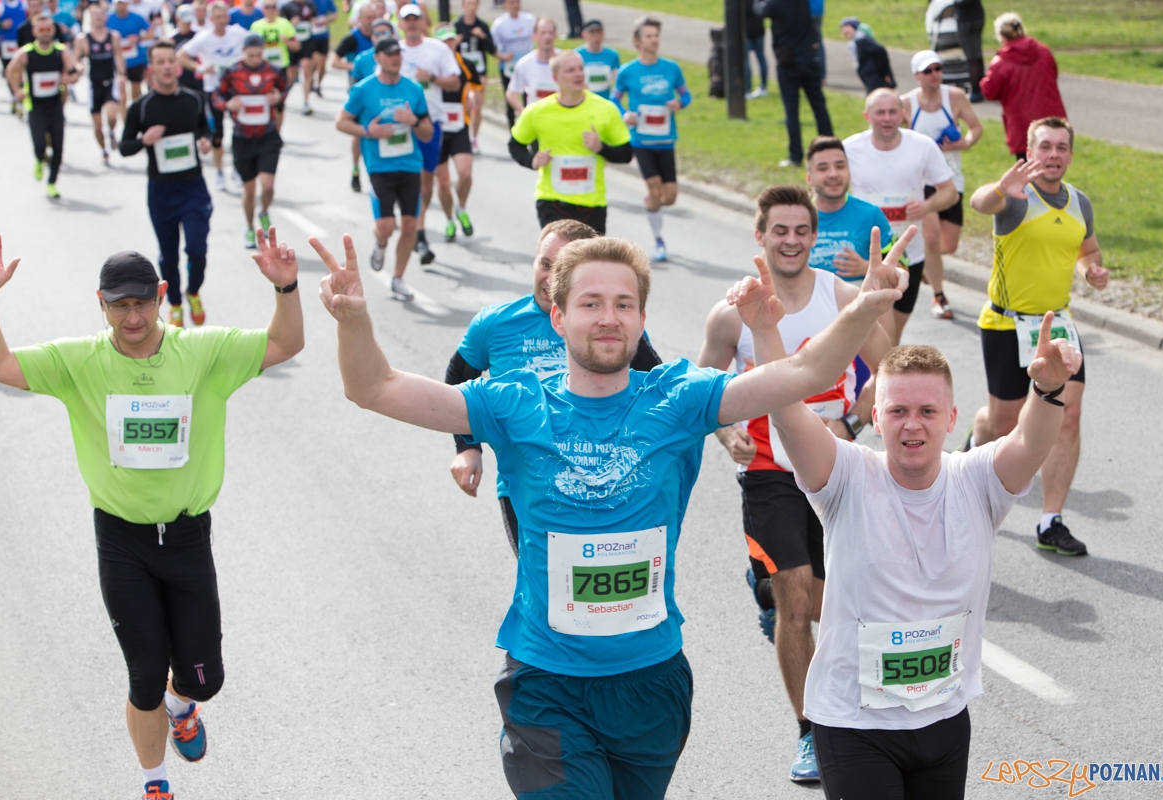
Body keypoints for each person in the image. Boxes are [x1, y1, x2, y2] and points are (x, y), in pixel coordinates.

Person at [312, 194, 913, 800]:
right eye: (591, 303)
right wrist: (355, 320)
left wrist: (866, 307)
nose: (608, 317)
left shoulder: (680, 399)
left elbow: (806, 374)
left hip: (651, 686)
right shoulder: (514, 402)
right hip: (546, 684)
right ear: (558, 316)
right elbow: (374, 387)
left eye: (623, 304)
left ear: (642, 318)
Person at [0, 228, 303, 800]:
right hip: (121, 541)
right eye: (119, 305)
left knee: (206, 678)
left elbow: (285, 346)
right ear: (100, 304)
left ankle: (185, 707)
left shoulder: (200, 353)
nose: (133, 317)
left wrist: (286, 289)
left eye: (142, 302)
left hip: (186, 538)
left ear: (160, 294)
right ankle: (156, 784)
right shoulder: (78, 361)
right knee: (145, 675)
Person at [749, 286, 1080, 798]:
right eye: (898, 410)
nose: (913, 424)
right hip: (854, 725)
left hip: (945, 721)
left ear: (951, 420)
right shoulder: (846, 476)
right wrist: (764, 331)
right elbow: (788, 413)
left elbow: (1029, 442)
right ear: (876, 418)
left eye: (928, 411)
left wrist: (1050, 389)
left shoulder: (977, 481)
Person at [697, 185, 893, 785]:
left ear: (814, 236)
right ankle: (812, 732)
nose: (789, 240)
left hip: (833, 467)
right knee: (798, 599)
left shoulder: (839, 295)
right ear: (760, 235)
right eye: (777, 230)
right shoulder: (733, 311)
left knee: (839, 601)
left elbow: (888, 362)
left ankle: (768, 588)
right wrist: (725, 432)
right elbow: (702, 388)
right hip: (766, 470)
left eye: (800, 230)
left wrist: (858, 417)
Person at [444, 219, 662, 555]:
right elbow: (458, 377)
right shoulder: (495, 324)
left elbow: (657, 391)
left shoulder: (606, 326)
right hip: (527, 483)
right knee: (547, 586)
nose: (549, 276)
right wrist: (466, 447)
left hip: (606, 481)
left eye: (561, 268)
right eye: (545, 264)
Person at [964, 117, 1107, 557]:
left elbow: (1087, 248)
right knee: (1003, 423)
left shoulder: (1079, 201)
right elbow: (979, 202)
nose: (1054, 156)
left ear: (1070, 154)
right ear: (1030, 150)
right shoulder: (1014, 197)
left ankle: (1051, 520)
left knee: (1069, 414)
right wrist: (1001, 189)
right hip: (1007, 324)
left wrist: (1092, 271)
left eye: (1062, 148)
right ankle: (973, 446)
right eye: (1045, 147)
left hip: (1057, 324)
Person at [843, 89, 956, 343]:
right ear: (867, 116)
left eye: (893, 111)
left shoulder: (922, 146)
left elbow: (950, 193)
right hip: (865, 252)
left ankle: (883, 377)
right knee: (864, 333)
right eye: (879, 112)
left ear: (902, 115)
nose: (886, 118)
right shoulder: (849, 149)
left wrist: (926, 206)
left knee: (893, 334)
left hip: (908, 253)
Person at [119, 41, 214, 328]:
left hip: (193, 188)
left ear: (177, 65)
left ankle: (193, 291)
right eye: (160, 62)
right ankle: (174, 303)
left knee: (197, 249)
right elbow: (124, 146)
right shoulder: (141, 107)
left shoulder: (194, 99)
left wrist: (206, 140)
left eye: (170, 61)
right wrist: (143, 141)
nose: (167, 67)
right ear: (151, 70)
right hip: (161, 191)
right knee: (168, 254)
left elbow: (204, 126)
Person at [335, 36, 433, 300]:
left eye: (398, 54)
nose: (395, 58)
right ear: (377, 58)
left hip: (410, 165)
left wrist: (413, 120)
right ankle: (380, 243)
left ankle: (398, 278)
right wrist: (368, 131)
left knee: (410, 225)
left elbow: (427, 132)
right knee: (387, 226)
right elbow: (341, 122)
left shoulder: (413, 89)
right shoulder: (364, 90)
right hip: (379, 167)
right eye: (389, 54)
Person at [508, 50, 632, 234]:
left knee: (588, 263)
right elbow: (515, 144)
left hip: (592, 204)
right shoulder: (537, 111)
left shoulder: (605, 109)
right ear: (555, 77)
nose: (578, 74)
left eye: (581, 68)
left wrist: (601, 148)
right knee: (558, 261)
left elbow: (626, 154)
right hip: (552, 201)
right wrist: (531, 161)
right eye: (570, 70)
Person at [902, 50, 983, 321]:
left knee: (949, 244)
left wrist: (964, 143)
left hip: (950, 179)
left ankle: (926, 265)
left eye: (937, 68)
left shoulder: (955, 97)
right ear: (917, 76)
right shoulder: (907, 104)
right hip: (920, 182)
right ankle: (939, 296)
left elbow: (976, 128)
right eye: (928, 71)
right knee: (932, 237)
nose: (935, 74)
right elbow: (889, 133)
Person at [613, 15, 689, 262]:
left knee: (670, 197)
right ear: (637, 41)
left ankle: (651, 202)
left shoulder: (671, 68)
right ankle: (659, 241)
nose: (654, 40)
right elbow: (614, 99)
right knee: (655, 188)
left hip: (666, 140)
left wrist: (679, 103)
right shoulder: (627, 71)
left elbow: (686, 96)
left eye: (656, 36)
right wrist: (626, 115)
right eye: (649, 36)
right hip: (642, 141)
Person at [396, 2, 461, 267]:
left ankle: (418, 231)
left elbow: (455, 82)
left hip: (429, 122)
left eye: (415, 19)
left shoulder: (437, 48)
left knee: (425, 182)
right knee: (401, 178)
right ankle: (411, 229)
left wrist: (432, 77)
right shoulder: (393, 51)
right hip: (399, 124)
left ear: (423, 22)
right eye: (407, 20)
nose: (411, 24)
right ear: (400, 24)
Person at [212, 33, 288, 248]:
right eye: (250, 55)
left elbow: (285, 88)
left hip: (268, 135)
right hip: (242, 137)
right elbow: (217, 96)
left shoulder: (273, 71)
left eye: (258, 55)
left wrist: (278, 98)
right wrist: (228, 105)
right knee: (250, 190)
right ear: (243, 52)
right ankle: (249, 227)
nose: (255, 59)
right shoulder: (232, 71)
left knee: (268, 185)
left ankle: (263, 212)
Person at [6, 10, 78, 198]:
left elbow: (74, 71)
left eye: (48, 29)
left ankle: (52, 183)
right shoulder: (26, 53)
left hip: (55, 105)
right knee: (39, 145)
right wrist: (17, 91)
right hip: (35, 106)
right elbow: (9, 71)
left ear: (53, 30)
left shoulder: (60, 51)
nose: (46, 32)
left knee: (59, 147)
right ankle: (39, 159)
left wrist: (70, 78)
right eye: (42, 29)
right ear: (35, 31)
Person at [179, 0, 248, 193]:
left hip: (236, 88)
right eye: (217, 18)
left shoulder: (237, 33)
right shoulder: (204, 37)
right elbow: (181, 56)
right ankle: (219, 172)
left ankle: (236, 169)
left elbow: (255, 43)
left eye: (224, 17)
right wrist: (200, 68)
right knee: (217, 135)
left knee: (239, 131)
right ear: (211, 19)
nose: (221, 21)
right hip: (214, 90)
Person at [805, 136, 894, 286]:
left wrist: (866, 268)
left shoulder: (871, 215)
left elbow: (901, 270)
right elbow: (773, 269)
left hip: (860, 307)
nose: (833, 174)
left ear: (849, 173)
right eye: (823, 168)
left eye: (840, 166)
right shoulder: (795, 217)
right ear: (809, 178)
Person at [979, 12, 1065, 161]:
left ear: (1001, 36)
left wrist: (982, 81)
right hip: (1052, 119)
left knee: (1028, 173)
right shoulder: (1044, 51)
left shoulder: (1001, 62)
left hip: (1023, 126)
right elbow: (1054, 73)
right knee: (1054, 168)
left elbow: (989, 92)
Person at [756, 0, 832, 169]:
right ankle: (830, 148)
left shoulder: (775, 4)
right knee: (819, 106)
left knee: (791, 110)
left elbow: (758, 9)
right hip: (809, 57)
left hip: (788, 61)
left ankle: (795, 155)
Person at [432, 25, 478, 244]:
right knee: (442, 182)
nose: (448, 45)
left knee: (466, 175)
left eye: (451, 41)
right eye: (443, 42)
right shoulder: (431, 64)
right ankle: (449, 220)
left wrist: (473, 98)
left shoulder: (465, 64)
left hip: (459, 125)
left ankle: (461, 208)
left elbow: (476, 85)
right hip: (438, 128)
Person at [332, 1, 376, 191]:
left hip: (380, 92)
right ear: (360, 19)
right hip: (358, 92)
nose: (372, 21)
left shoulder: (381, 39)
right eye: (368, 18)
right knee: (359, 132)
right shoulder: (353, 38)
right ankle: (356, 169)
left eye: (375, 18)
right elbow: (334, 62)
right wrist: (354, 66)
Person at [75, 4, 126, 164]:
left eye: (100, 14)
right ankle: (104, 149)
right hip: (93, 85)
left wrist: (122, 74)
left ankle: (112, 131)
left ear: (105, 17)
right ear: (90, 17)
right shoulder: (83, 39)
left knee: (111, 115)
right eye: (94, 15)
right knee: (97, 125)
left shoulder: (114, 36)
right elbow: (75, 58)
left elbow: (118, 56)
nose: (98, 17)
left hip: (110, 83)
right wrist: (79, 66)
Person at [452, 0, 492, 152]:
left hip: (479, 70)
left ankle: (474, 138)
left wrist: (482, 36)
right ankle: (463, 136)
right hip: (462, 71)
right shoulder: (456, 26)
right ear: (463, 5)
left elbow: (491, 48)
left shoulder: (482, 25)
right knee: (466, 105)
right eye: (469, 4)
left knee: (477, 106)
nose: (472, 7)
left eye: (475, 4)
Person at [489, 0, 534, 128]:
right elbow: (492, 47)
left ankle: (528, 128)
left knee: (528, 98)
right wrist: (502, 56)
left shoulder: (529, 20)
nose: (515, 5)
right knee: (510, 100)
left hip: (527, 67)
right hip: (508, 67)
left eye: (517, 2)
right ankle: (512, 130)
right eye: (512, 2)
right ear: (505, 4)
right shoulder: (499, 24)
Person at [504, 14, 557, 117]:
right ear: (534, 36)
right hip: (535, 121)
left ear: (555, 36)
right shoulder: (524, 64)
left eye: (551, 33)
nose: (547, 37)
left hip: (559, 120)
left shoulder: (565, 61)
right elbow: (511, 93)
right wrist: (523, 111)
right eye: (543, 33)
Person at [107, 0, 150, 111]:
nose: (121, 6)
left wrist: (138, 38)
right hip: (116, 62)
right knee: (122, 95)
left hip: (135, 60)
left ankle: (136, 115)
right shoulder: (108, 18)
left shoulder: (137, 18)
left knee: (136, 94)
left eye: (123, 3)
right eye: (118, 3)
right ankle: (125, 122)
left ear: (127, 4)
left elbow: (151, 33)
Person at [0, 0, 28, 114]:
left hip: (21, 43)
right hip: (6, 44)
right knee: (10, 71)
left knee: (21, 73)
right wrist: (1, 24)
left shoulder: (24, 4)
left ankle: (20, 98)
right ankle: (14, 96)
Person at [838, 16, 894, 95]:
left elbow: (880, 51)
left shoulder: (862, 40)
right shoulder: (856, 43)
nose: (844, 31)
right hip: (871, 79)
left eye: (847, 27)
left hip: (876, 79)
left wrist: (885, 74)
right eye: (842, 29)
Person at [279, 0, 314, 111]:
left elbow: (314, 19)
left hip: (306, 42)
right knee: (291, 76)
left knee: (306, 69)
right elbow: (281, 24)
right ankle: (283, 97)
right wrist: (292, 23)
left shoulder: (310, 5)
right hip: (292, 44)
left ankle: (306, 102)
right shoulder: (287, 7)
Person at [574, 18, 618, 102]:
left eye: (599, 32)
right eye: (592, 33)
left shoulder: (612, 55)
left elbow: (617, 81)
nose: (596, 37)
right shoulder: (577, 55)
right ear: (584, 34)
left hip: (604, 100)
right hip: (583, 101)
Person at [954, 0, 986, 102]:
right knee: (977, 54)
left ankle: (976, 91)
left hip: (965, 18)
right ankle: (982, 88)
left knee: (971, 57)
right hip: (977, 15)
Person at [308, 0, 335, 95]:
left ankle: (318, 85)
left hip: (323, 36)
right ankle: (310, 79)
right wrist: (311, 19)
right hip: (311, 36)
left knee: (323, 64)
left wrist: (328, 20)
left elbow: (335, 14)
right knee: (316, 61)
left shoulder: (327, 1)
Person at [744, 2, 767, 98]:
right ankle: (763, 87)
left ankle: (747, 89)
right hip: (759, 27)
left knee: (745, 60)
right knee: (761, 57)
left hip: (746, 29)